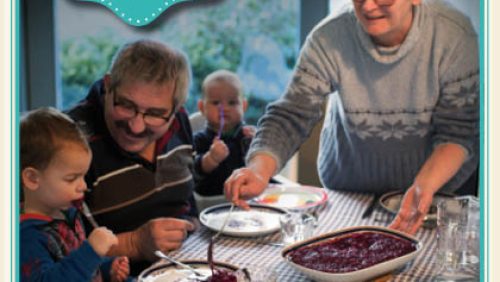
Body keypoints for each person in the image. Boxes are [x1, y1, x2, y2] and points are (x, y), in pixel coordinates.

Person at [224, 0, 479, 235]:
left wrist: (425, 186)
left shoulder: (454, 36)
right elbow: (291, 114)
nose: (367, 7)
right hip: (349, 193)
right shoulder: (329, 37)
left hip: (438, 193)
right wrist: (259, 170)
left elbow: (459, 131)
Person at [66, 40, 196, 272]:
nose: (136, 127)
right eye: (126, 105)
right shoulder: (68, 142)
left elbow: (188, 202)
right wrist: (135, 244)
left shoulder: (179, 121)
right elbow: (55, 257)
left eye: (155, 114)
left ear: (177, 108)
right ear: (108, 86)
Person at [20, 107, 130, 281]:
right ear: (33, 179)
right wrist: (91, 252)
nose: (83, 186)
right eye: (71, 179)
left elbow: (76, 265)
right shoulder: (25, 236)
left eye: (83, 176)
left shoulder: (67, 212)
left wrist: (108, 267)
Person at [193, 70, 252, 210]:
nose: (224, 108)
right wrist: (210, 159)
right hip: (210, 207)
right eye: (216, 102)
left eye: (232, 102)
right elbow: (192, 172)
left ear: (243, 106)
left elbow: (258, 168)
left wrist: (256, 144)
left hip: (246, 203)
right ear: (202, 107)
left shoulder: (247, 137)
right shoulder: (198, 140)